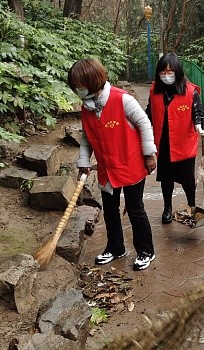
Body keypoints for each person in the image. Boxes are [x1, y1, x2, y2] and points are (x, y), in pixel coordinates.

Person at [67, 58, 157, 271]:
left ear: (93, 81)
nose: (77, 90)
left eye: (80, 86)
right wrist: (83, 161)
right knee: (109, 210)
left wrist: (149, 154)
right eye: (75, 86)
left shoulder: (121, 99)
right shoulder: (86, 107)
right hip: (107, 168)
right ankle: (116, 248)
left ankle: (146, 251)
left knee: (135, 209)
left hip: (131, 164)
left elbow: (144, 123)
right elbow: (87, 137)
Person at [146, 53, 204, 224]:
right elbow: (149, 113)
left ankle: (192, 207)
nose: (166, 76)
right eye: (163, 72)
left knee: (187, 180)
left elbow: (198, 112)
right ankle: (167, 208)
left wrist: (199, 125)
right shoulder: (155, 90)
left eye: (170, 72)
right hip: (163, 142)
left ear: (178, 72)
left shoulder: (189, 91)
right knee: (166, 179)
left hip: (184, 143)